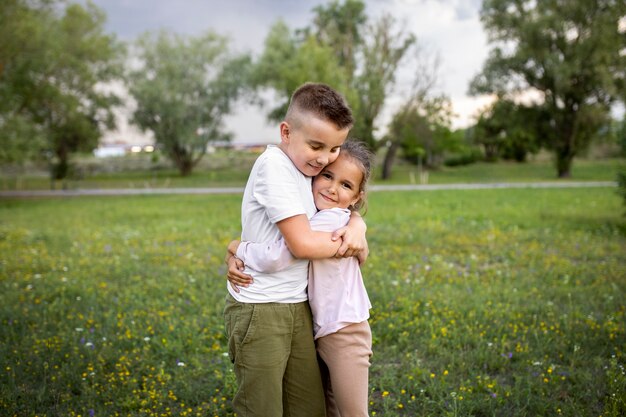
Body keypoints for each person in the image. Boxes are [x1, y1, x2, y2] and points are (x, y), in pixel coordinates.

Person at [223, 82, 368, 417]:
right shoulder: (275, 166)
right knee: (263, 408)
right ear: (286, 131)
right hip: (261, 307)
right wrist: (348, 242)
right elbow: (301, 243)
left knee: (309, 407)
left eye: (334, 148)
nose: (325, 158)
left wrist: (357, 224)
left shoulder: (307, 170)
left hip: (298, 305)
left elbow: (331, 214)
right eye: (317, 145)